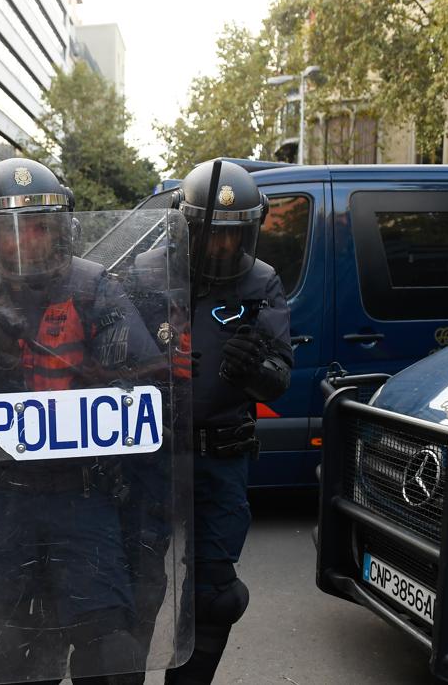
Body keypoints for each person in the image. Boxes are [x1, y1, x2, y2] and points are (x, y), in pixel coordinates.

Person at [0, 158, 165, 685]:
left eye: (39, 227)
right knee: (5, 642)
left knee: (107, 642)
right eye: (10, 231)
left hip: (83, 492)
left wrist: (109, 376)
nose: (26, 242)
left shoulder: (94, 287)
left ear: (60, 231)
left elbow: (147, 385)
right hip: (2, 496)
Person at [161, 160, 292, 684]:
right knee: (133, 583)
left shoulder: (261, 281)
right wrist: (152, 361)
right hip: (154, 456)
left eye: (235, 234)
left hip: (221, 457)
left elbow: (280, 377)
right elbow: (107, 358)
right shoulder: (150, 272)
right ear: (188, 229)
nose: (223, 247)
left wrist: (254, 369)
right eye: (213, 234)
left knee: (216, 595)